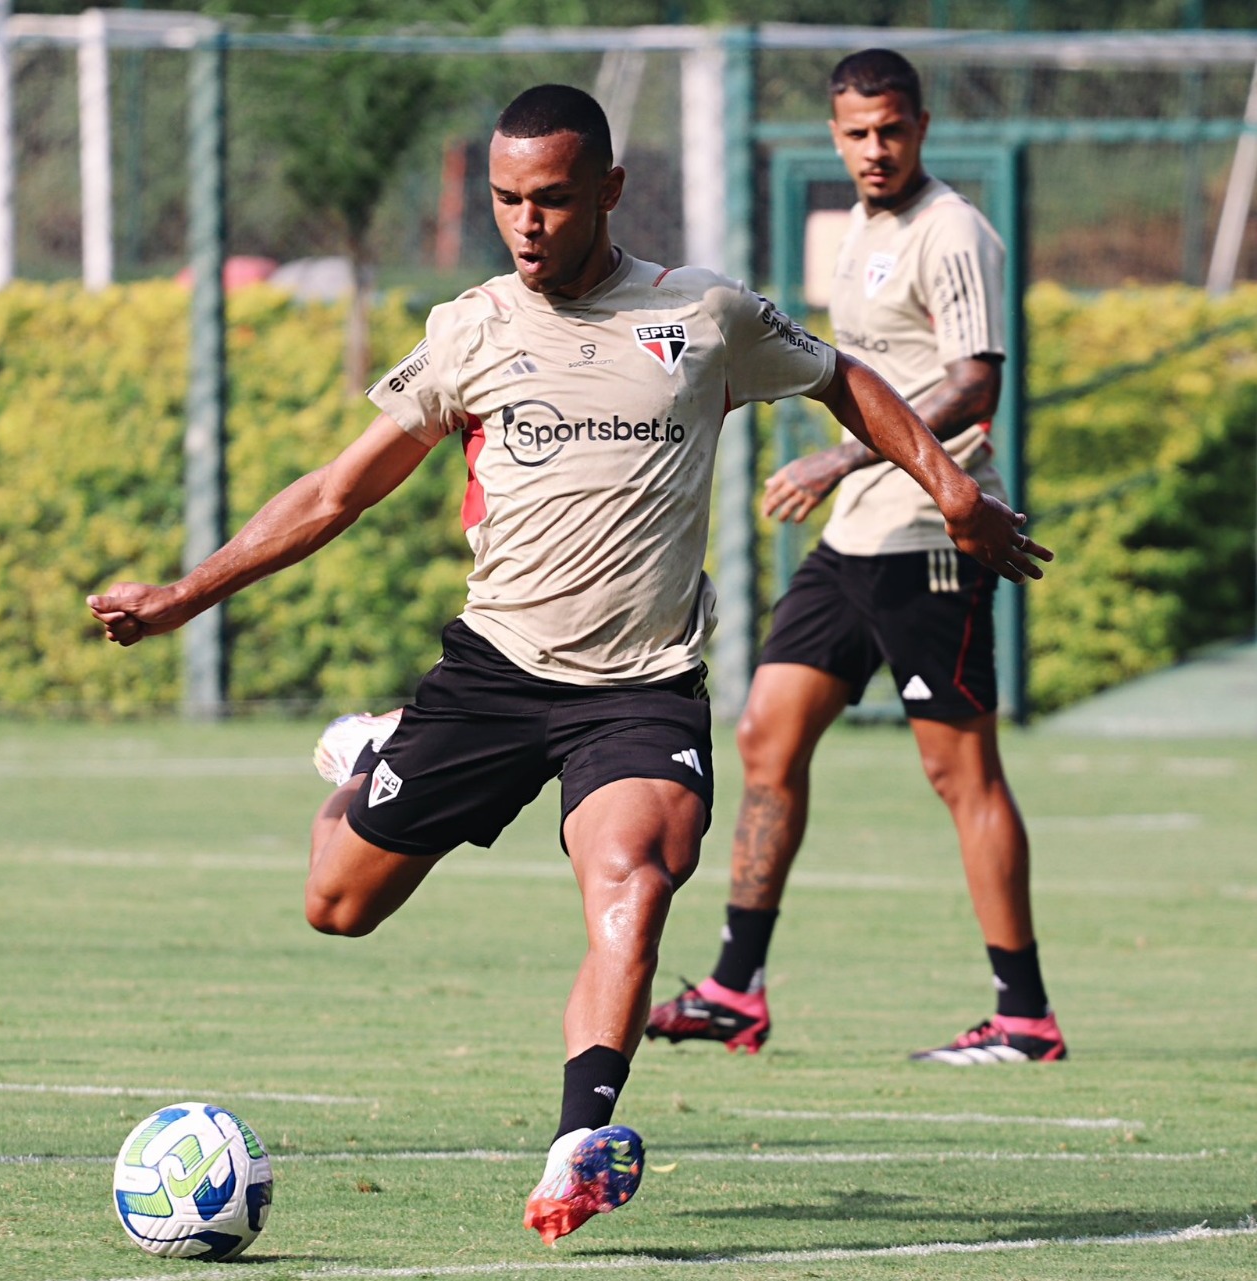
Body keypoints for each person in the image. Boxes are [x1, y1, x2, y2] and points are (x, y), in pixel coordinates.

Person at [87, 83, 1050, 1246]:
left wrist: (948, 487)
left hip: (639, 689)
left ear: (607, 191)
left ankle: (578, 1140)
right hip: (492, 675)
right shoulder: (473, 329)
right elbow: (339, 491)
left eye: (550, 198)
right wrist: (186, 596)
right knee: (336, 906)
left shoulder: (703, 315)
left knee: (638, 874)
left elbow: (843, 376)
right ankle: (378, 750)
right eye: (505, 200)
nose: (526, 223)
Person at [645, 49, 1067, 1067]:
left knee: (958, 773)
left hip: (927, 536)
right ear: (834, 136)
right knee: (765, 739)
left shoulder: (952, 230)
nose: (875, 150)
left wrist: (840, 453)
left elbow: (972, 385)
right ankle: (734, 991)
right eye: (856, 134)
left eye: (892, 130)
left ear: (920, 125)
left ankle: (1022, 1016)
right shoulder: (859, 228)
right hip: (853, 543)